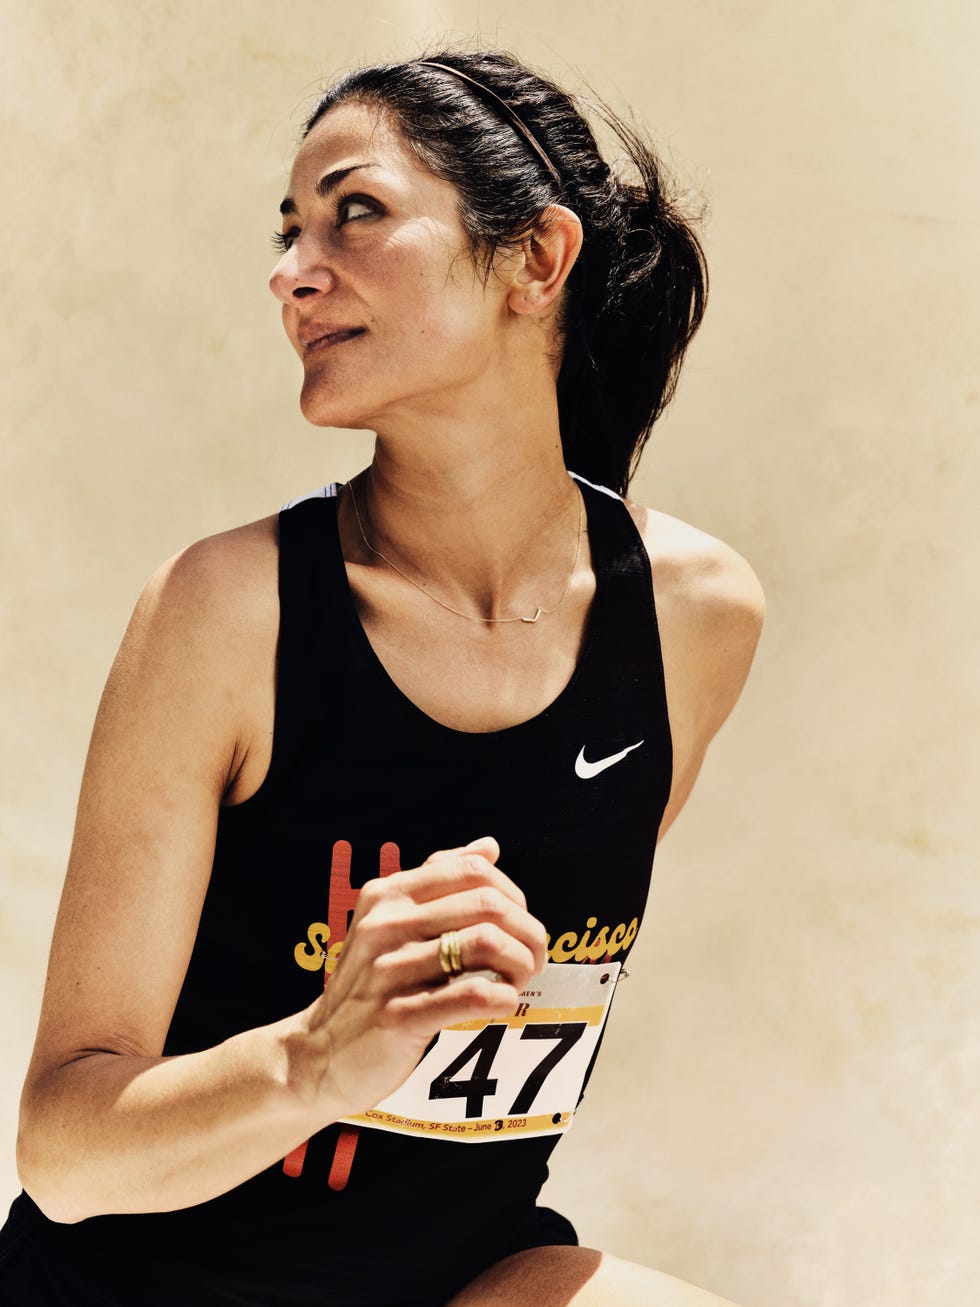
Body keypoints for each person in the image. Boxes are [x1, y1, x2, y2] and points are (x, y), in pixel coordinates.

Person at [0, 47, 764, 1306]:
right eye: (290, 232)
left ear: (537, 260)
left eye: (355, 212)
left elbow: (523, 1022)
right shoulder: (224, 610)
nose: (294, 272)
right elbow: (65, 1154)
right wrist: (316, 1055)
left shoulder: (694, 617)